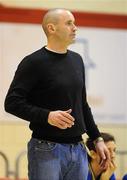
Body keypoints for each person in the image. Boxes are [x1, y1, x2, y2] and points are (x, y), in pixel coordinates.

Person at [4, 8, 110, 180]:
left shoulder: (77, 60)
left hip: (78, 149)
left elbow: (82, 105)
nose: (75, 28)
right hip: (46, 149)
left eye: (74, 23)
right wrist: (47, 116)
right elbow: (12, 103)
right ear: (51, 28)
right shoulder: (33, 62)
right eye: (69, 23)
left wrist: (97, 138)